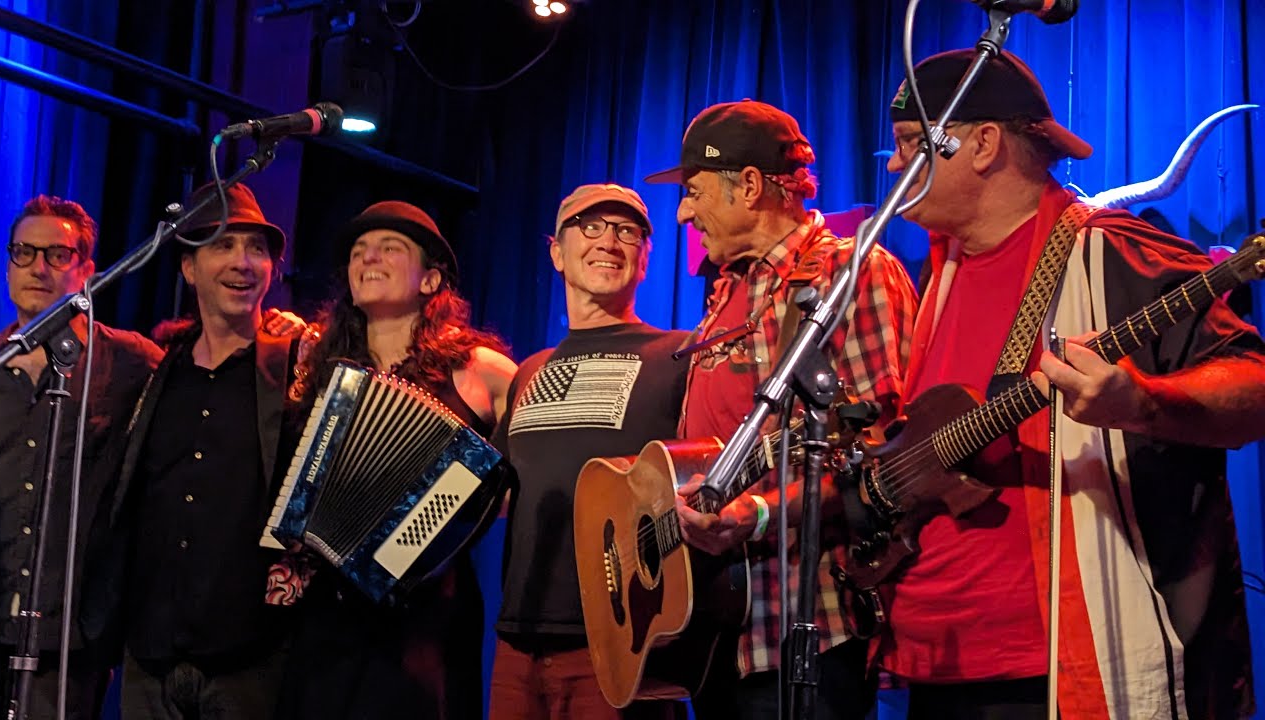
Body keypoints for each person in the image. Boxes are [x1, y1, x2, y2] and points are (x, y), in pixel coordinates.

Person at [877, 48, 1265, 719]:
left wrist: (1144, 404)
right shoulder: (938, 276)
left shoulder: (1113, 250)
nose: (892, 166)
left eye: (911, 144)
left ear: (982, 144)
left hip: (1057, 674)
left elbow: (1255, 387)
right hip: (938, 668)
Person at [645, 99, 920, 720]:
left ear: (748, 186)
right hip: (715, 632)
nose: (683, 212)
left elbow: (880, 453)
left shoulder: (851, 271)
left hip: (805, 626)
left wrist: (759, 514)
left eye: (693, 192)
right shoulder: (727, 291)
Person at [275, 200, 516, 720]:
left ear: (431, 280)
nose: (369, 257)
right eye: (359, 251)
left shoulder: (478, 369)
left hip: (427, 617)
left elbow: (527, 474)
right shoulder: (313, 371)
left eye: (390, 248)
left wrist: (465, 509)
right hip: (326, 615)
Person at [92, 181, 303, 720]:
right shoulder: (153, 370)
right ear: (188, 267)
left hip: (251, 657)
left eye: (256, 248)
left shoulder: (296, 372)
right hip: (150, 654)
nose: (243, 262)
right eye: (222, 245)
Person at [487, 183, 689, 720]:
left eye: (627, 231)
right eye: (591, 227)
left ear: (646, 258)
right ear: (557, 252)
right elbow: (499, 496)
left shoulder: (678, 355)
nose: (609, 242)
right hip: (518, 639)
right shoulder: (531, 370)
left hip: (624, 644)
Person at [0, 195, 163, 720]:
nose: (38, 268)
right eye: (23, 252)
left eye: (58, 255)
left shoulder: (129, 361)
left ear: (87, 271)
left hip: (68, 642)